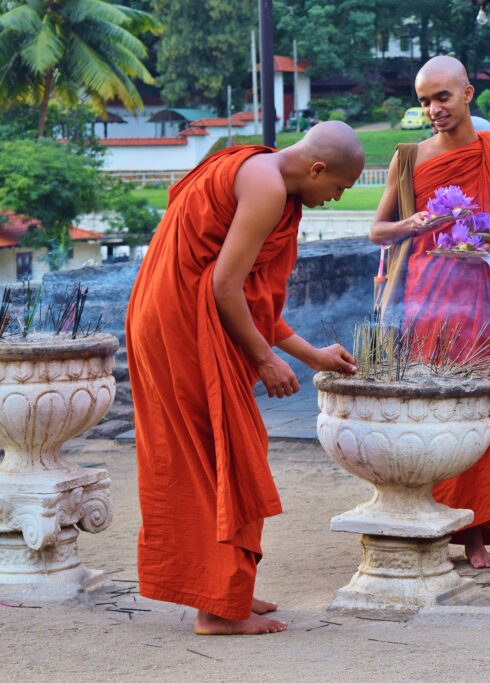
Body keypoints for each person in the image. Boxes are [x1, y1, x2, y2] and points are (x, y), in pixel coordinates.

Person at [126, 122, 363, 635]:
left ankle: (227, 584)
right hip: (181, 324)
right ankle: (216, 609)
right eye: (338, 189)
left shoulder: (260, 170)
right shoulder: (267, 185)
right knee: (217, 454)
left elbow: (250, 295)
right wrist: (264, 360)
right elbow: (224, 288)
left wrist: (311, 355)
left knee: (226, 449)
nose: (333, 199)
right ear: (316, 169)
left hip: (174, 313)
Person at [370, 56, 490, 569]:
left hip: (485, 306)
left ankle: (476, 533)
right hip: (429, 307)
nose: (433, 109)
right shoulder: (408, 158)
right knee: (437, 409)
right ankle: (430, 516)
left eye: (442, 97)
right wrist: (417, 224)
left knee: (483, 409)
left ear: (468, 94)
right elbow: (377, 232)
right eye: (424, 100)